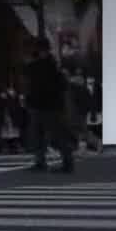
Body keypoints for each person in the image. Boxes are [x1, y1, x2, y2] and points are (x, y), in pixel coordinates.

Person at [24, 39, 75, 173]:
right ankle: (63, 161)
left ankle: (49, 162)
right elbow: (63, 86)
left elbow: (32, 85)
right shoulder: (54, 65)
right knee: (52, 134)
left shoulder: (39, 66)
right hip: (50, 105)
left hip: (44, 105)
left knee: (48, 135)